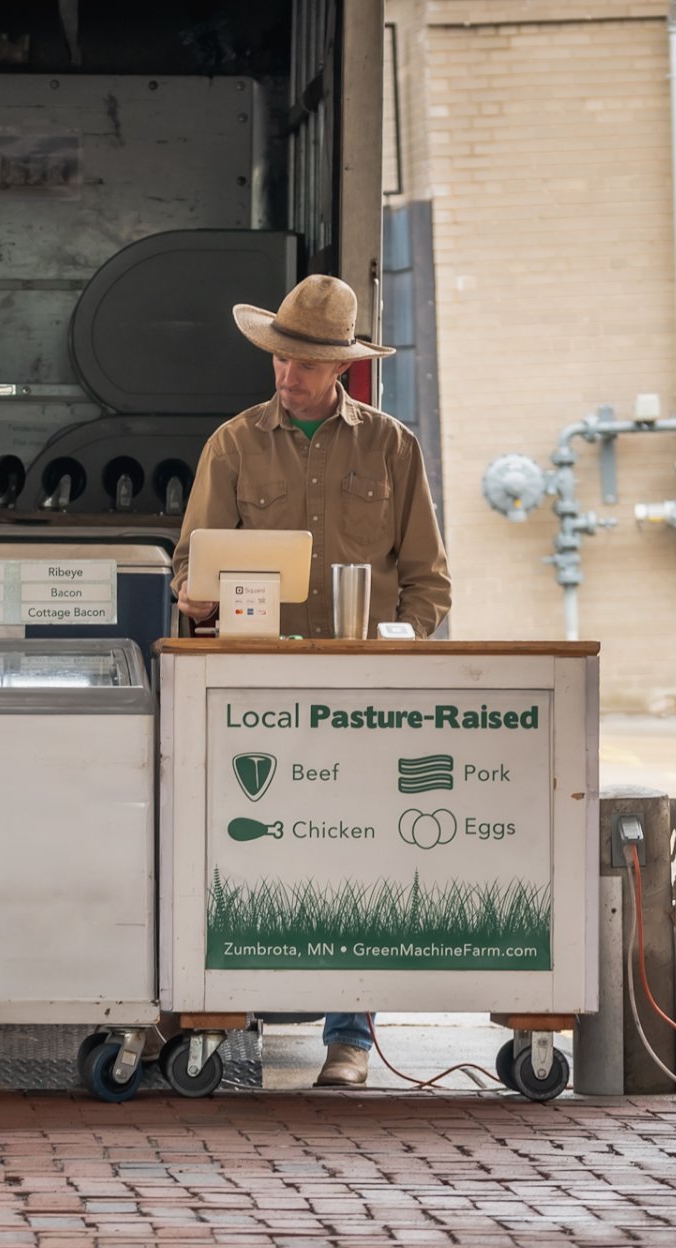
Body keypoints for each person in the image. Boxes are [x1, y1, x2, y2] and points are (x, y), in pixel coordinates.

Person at [170, 274, 453, 1088]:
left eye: (303, 362)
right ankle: (231, 1016)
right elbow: (190, 564)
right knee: (251, 850)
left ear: (342, 368)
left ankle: (350, 1038)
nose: (286, 373)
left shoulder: (393, 447)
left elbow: (428, 582)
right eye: (279, 358)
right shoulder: (233, 444)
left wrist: (398, 649)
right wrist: (196, 597)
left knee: (364, 855)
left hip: (364, 696)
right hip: (256, 692)